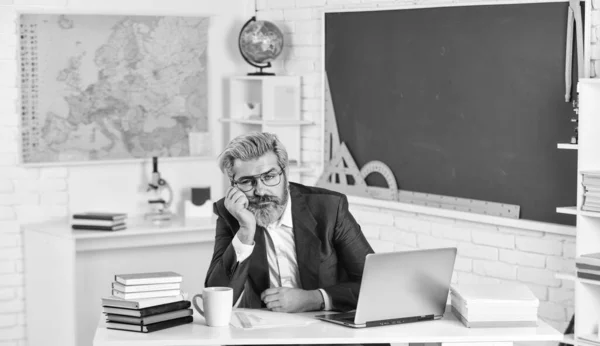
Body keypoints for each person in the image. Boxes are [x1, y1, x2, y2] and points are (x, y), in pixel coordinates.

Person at [205, 131, 374, 313]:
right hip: (263, 331)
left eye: (269, 177)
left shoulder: (329, 208)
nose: (260, 191)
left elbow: (374, 283)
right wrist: (245, 231)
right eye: (247, 181)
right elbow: (217, 299)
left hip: (324, 327)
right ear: (234, 186)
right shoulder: (231, 212)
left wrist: (313, 298)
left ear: (285, 173)